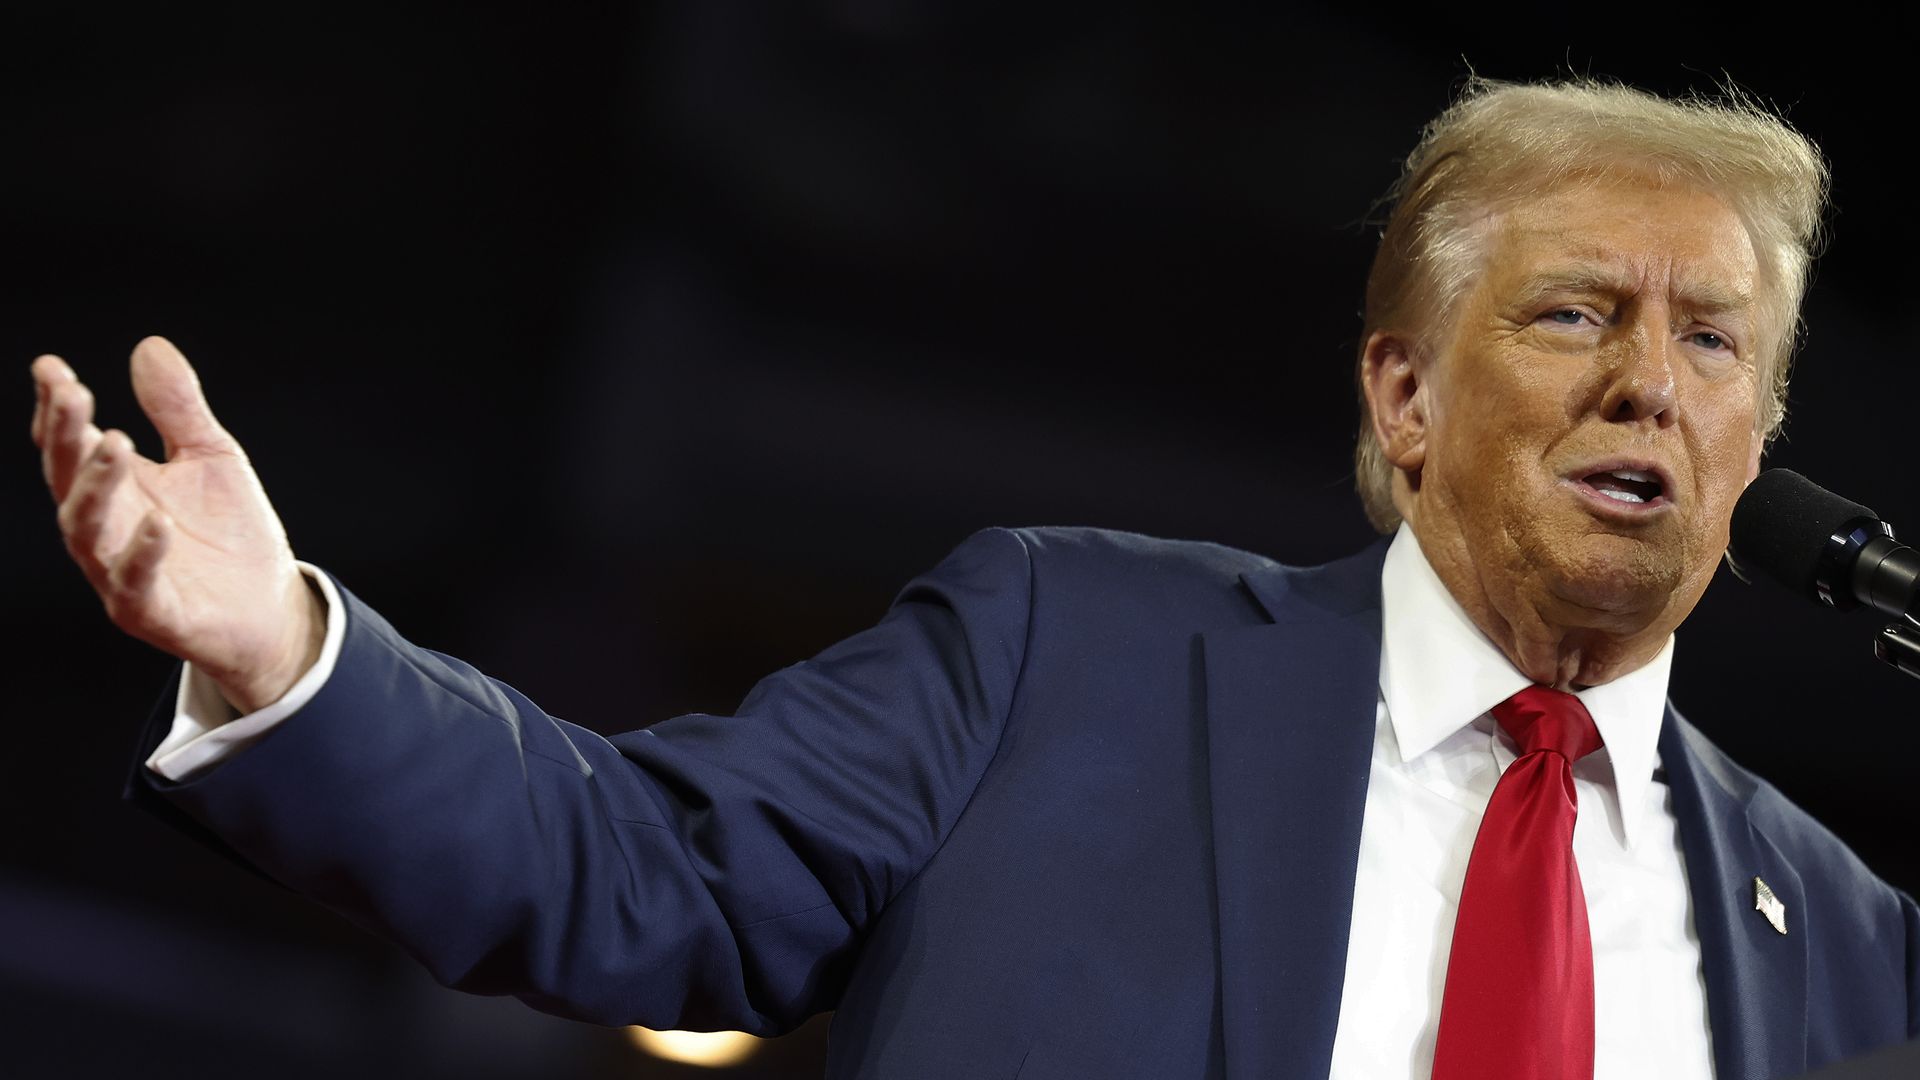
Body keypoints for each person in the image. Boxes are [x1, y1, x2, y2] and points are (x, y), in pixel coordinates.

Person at [30, 77, 1919, 1079]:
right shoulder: (1067, 653)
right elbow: (638, 870)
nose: (1647, 383)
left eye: (1716, 343)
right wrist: (286, 650)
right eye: (1577, 311)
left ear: (1756, 445)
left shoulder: (1845, 947)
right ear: (1405, 394)